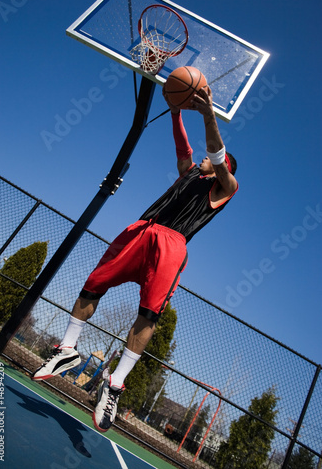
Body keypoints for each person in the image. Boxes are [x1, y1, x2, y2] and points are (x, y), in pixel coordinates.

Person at [32, 86, 238, 432]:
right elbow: (182, 148)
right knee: (93, 285)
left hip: (172, 246)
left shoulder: (224, 187)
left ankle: (115, 383)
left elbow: (216, 154)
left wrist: (208, 115)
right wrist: (175, 112)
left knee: (149, 315)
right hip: (142, 230)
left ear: (224, 167)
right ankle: (67, 348)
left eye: (217, 158)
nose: (207, 156)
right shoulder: (190, 174)